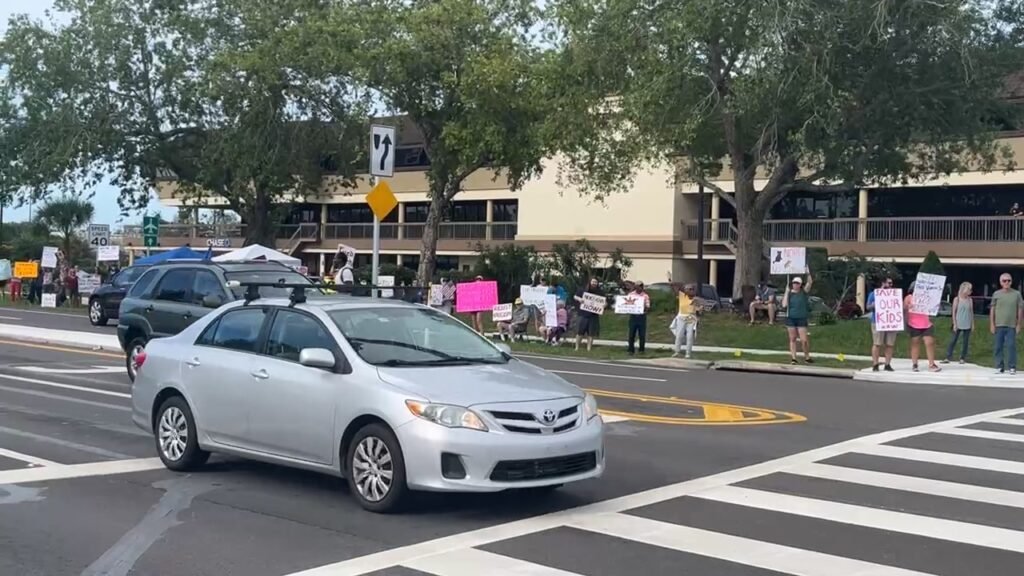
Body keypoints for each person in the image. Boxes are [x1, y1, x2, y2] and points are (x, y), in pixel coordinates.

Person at [904, 281, 941, 373]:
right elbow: (904, 309)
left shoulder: (927, 297)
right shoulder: (909, 298)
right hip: (913, 323)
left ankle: (932, 364)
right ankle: (915, 363)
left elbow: (933, 307)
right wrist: (908, 307)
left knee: (929, 342)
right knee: (915, 343)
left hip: (926, 323)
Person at [990, 272, 1023, 375]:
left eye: (1009, 280)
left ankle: (1012, 367)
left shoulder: (1016, 294)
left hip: (1011, 325)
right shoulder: (996, 294)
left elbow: (1020, 309)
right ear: (1001, 282)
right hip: (999, 324)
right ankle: (999, 366)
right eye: (1004, 281)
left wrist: (1019, 324)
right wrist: (992, 323)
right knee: (998, 347)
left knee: (1011, 346)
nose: (1007, 282)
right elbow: (992, 309)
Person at [866, 276, 897, 372]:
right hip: (878, 321)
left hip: (891, 322)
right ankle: (875, 364)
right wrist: (873, 305)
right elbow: (868, 307)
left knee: (890, 344)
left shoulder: (894, 294)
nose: (891, 285)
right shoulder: (874, 294)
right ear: (883, 283)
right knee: (877, 343)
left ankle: (887, 364)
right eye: (889, 283)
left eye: (891, 283)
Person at [781, 272, 814, 364]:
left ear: (800, 285)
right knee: (792, 338)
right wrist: (786, 292)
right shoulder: (789, 293)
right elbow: (784, 305)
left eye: (797, 283)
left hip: (801, 318)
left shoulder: (803, 292)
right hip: (791, 318)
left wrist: (808, 272)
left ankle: (807, 357)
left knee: (804, 340)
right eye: (794, 283)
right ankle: (794, 358)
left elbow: (810, 282)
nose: (795, 285)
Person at [943, 282, 975, 364]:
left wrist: (972, 323)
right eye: (969, 289)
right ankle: (948, 356)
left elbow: (971, 312)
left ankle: (962, 358)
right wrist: (954, 323)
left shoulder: (970, 300)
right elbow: (954, 312)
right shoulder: (957, 299)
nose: (970, 291)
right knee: (953, 340)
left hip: (967, 322)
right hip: (958, 322)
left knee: (965, 341)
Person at [574, 278, 604, 351]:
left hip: (594, 315)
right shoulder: (583, 290)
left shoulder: (600, 292)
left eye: (596, 282)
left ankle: (589, 348)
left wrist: (604, 305)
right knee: (580, 332)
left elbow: (605, 302)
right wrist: (579, 299)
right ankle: (577, 347)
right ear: (590, 282)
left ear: (597, 283)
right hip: (583, 314)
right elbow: (575, 296)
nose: (594, 283)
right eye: (593, 281)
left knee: (591, 333)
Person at [671, 283, 701, 358]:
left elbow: (699, 310)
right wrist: (671, 282)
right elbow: (674, 288)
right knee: (679, 335)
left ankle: (688, 353)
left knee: (689, 336)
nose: (690, 291)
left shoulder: (696, 299)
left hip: (691, 318)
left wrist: (699, 311)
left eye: (691, 289)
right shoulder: (682, 296)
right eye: (688, 289)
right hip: (681, 317)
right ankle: (677, 351)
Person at [626, 282, 652, 355]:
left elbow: (648, 306)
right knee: (631, 334)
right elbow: (626, 303)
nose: (638, 288)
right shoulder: (631, 294)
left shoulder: (645, 296)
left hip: (641, 316)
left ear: (642, 287)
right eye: (637, 286)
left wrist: (644, 306)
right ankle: (631, 350)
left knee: (642, 334)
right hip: (633, 316)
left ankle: (641, 350)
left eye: (640, 286)